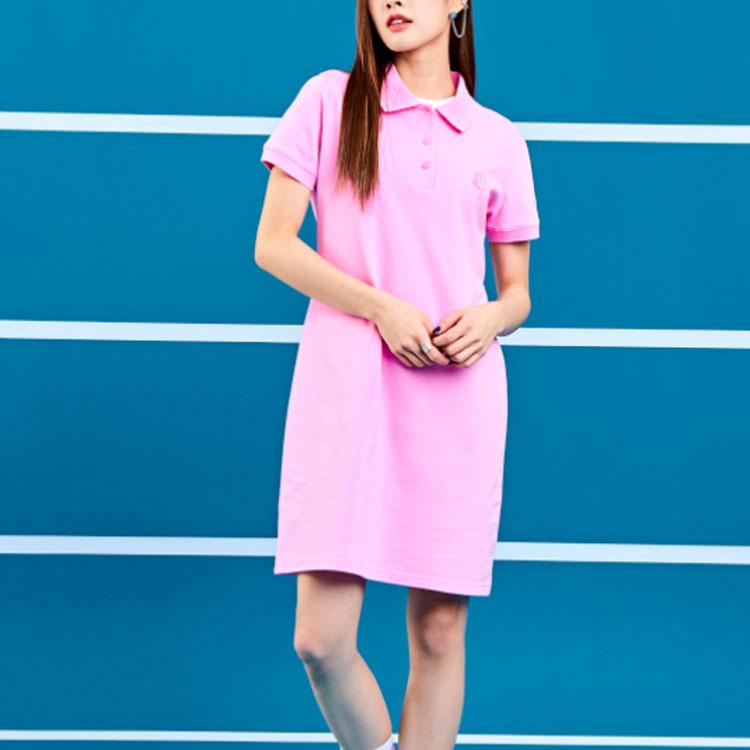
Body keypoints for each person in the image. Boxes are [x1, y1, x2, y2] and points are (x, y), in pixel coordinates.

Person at [255, 1, 540, 747]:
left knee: (439, 631)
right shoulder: (329, 100)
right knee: (320, 641)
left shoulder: (498, 138)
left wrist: (491, 317)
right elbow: (274, 243)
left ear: (458, 3)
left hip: (455, 398)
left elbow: (517, 294)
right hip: (345, 392)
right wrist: (379, 307)